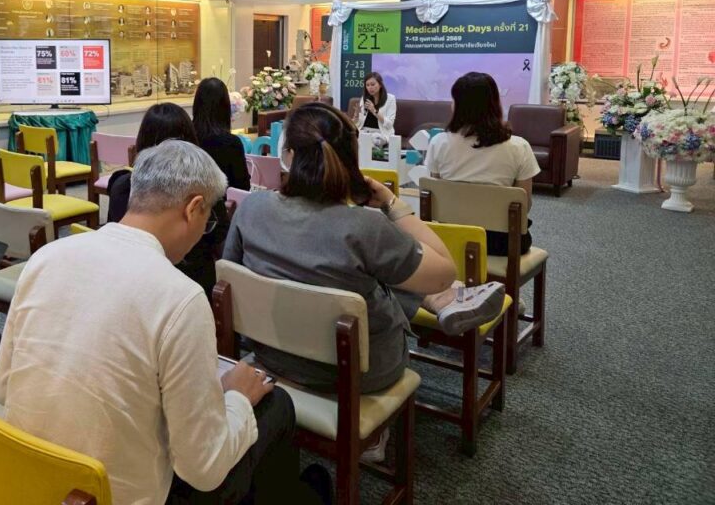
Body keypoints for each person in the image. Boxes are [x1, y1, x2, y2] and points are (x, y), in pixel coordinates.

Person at [0, 141, 326, 505]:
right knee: (276, 406)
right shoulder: (180, 297)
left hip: (25, 478)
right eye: (207, 220)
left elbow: (3, 387)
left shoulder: (47, 257)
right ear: (194, 208)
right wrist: (237, 399)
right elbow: (203, 468)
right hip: (116, 495)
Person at [225, 104, 504, 401]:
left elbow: (230, 277)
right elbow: (444, 272)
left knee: (363, 270)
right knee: (376, 272)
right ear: (352, 158)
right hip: (363, 370)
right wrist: (393, 204)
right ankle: (444, 297)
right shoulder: (366, 227)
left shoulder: (252, 208)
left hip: (273, 355)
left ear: (288, 155)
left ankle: (442, 299)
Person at [108, 103, 229, 296]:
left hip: (127, 283)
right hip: (194, 283)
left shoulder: (122, 185)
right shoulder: (204, 191)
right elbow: (219, 238)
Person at [424, 72, 540, 256]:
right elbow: (525, 204)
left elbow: (436, 193)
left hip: (451, 236)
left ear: (459, 106)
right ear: (495, 104)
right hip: (503, 243)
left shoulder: (439, 143)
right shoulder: (519, 147)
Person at [193, 78, 250, 192]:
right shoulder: (231, 143)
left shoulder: (186, 136)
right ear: (225, 106)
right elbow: (242, 187)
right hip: (222, 201)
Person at [352, 71, 397, 137]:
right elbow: (357, 124)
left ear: (380, 85)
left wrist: (374, 111)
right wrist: (356, 115)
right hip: (364, 132)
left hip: (381, 133)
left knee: (374, 140)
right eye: (367, 85)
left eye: (373, 84)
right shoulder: (364, 98)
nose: (370, 87)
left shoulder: (390, 99)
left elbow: (389, 125)